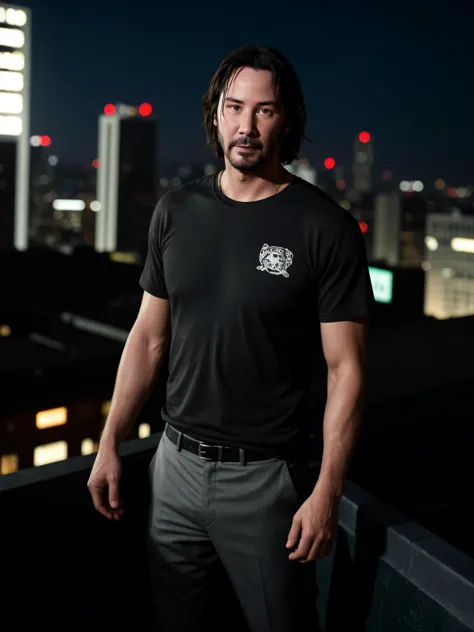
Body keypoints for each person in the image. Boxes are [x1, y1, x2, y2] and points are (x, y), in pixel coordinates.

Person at [87, 44, 374, 632]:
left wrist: (327, 491)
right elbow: (147, 338)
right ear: (215, 113)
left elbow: (346, 370)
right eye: (234, 107)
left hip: (267, 483)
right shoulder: (176, 210)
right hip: (173, 468)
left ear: (287, 120)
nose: (246, 126)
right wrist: (111, 441)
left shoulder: (325, 228)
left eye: (264, 111)